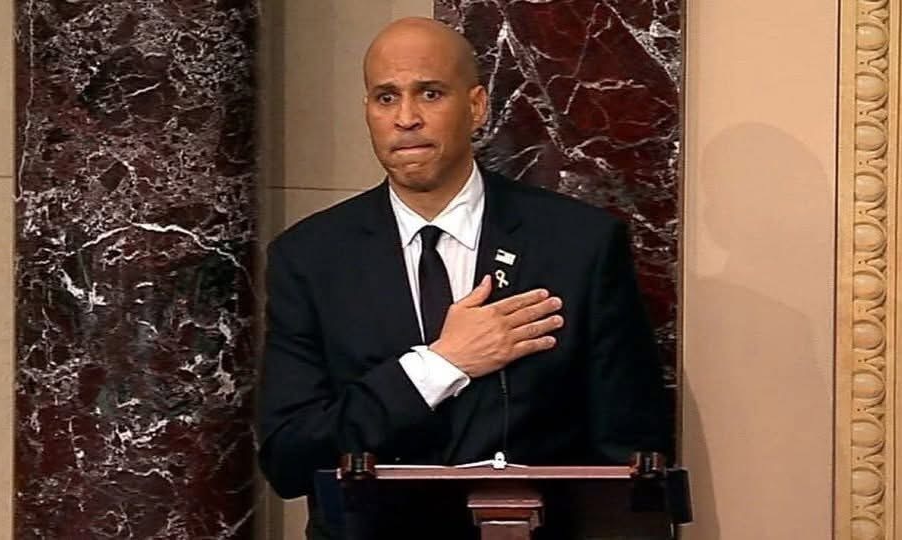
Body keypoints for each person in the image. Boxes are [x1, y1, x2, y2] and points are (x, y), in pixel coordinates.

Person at [258, 17, 670, 539]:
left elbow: (630, 465)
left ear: (476, 107)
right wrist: (440, 365)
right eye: (386, 98)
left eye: (429, 93)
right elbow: (289, 458)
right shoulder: (310, 258)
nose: (406, 118)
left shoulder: (578, 244)